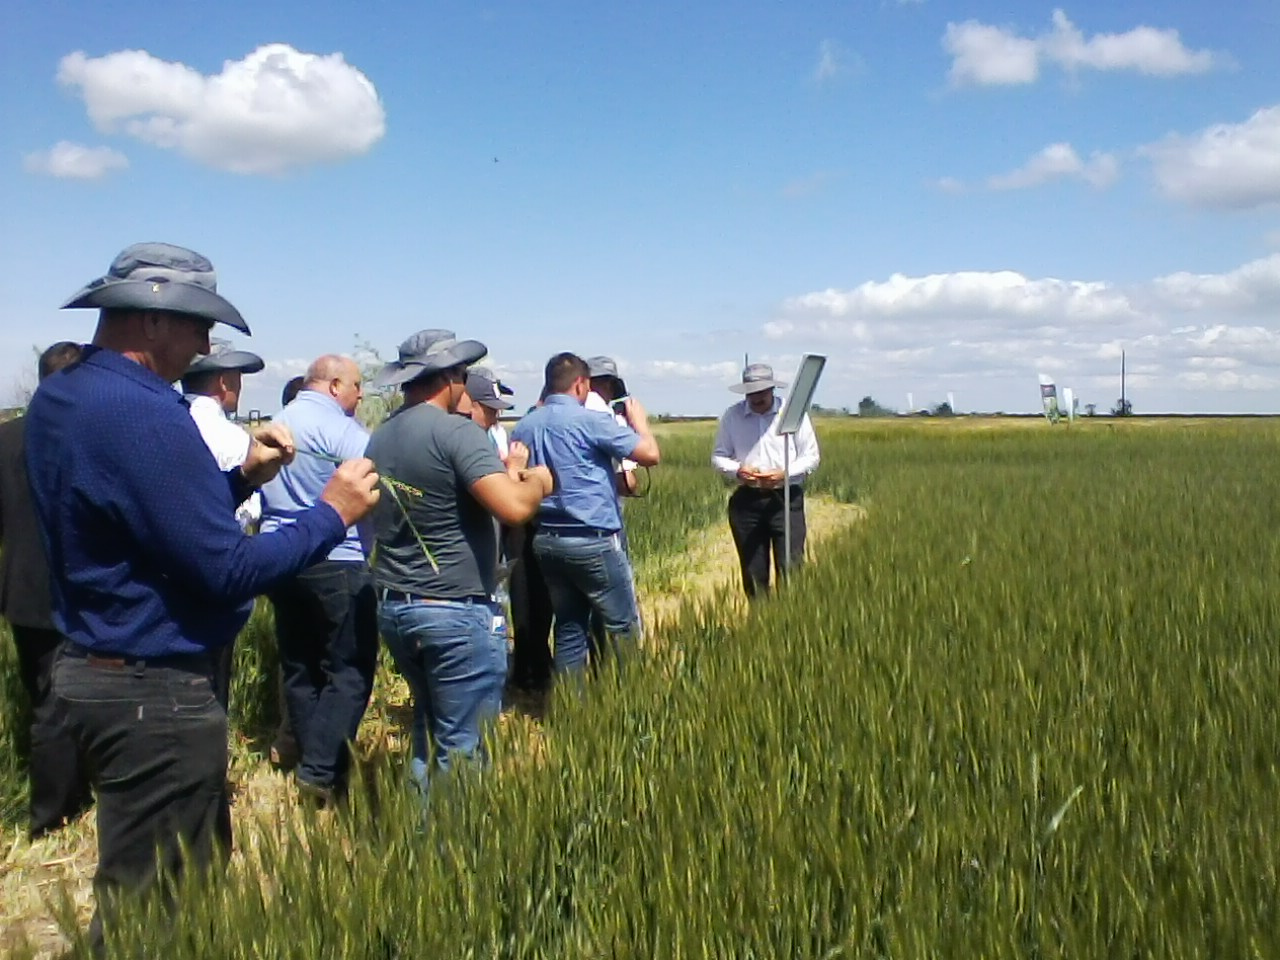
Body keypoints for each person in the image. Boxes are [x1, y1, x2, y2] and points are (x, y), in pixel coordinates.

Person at [24, 242, 380, 949]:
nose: (206, 343)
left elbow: (147, 522)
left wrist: (243, 478)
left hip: (92, 668)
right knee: (160, 904)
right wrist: (331, 514)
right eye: (195, 325)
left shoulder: (66, 396)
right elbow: (224, 570)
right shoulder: (147, 415)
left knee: (151, 884)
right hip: (152, 691)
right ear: (153, 321)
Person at [366, 329, 552, 790]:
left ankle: (418, 842)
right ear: (449, 377)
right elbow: (513, 507)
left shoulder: (381, 437)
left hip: (396, 606)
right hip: (454, 610)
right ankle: (453, 850)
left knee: (430, 733)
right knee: (464, 748)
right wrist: (539, 482)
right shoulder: (456, 432)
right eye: (463, 375)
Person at [259, 355, 377, 804]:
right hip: (335, 555)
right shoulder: (342, 432)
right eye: (356, 385)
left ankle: (313, 761)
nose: (361, 394)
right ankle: (320, 770)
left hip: (280, 555)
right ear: (333, 386)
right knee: (349, 669)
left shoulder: (277, 424)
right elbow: (375, 487)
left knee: (300, 664)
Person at [511, 353, 660, 678]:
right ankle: (629, 702)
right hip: (592, 539)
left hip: (547, 539)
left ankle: (570, 710)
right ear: (581, 384)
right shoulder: (589, 421)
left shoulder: (525, 425)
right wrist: (640, 424)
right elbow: (650, 455)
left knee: (569, 628)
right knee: (622, 625)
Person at [0, 342, 93, 839]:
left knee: (43, 699)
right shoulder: (77, 435)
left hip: (20, 590)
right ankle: (53, 815)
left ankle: (61, 800)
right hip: (73, 591)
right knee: (64, 705)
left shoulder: (6, 437)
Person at [181, 339, 266, 709]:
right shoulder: (233, 439)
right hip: (217, 565)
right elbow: (251, 511)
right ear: (223, 383)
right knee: (215, 675)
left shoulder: (166, 422)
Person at [711, 362, 820, 599]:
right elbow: (719, 456)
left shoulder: (792, 414)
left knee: (792, 568)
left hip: (785, 500)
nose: (757, 397)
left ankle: (791, 621)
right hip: (747, 502)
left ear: (772, 389)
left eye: (762, 391)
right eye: (752, 392)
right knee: (753, 573)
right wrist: (739, 471)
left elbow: (811, 456)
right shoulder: (733, 416)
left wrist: (785, 473)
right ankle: (760, 623)